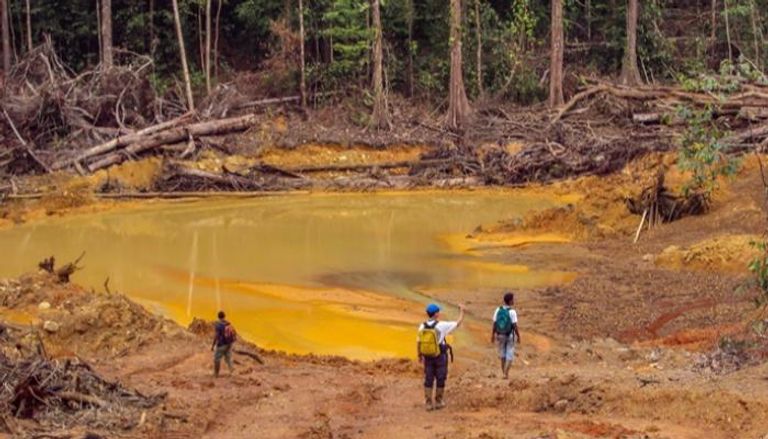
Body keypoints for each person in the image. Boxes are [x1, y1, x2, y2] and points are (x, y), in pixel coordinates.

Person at [417, 302, 465, 411]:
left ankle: (428, 403)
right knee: (441, 377)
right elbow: (458, 323)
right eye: (438, 311)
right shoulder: (442, 325)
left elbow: (419, 342)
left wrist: (419, 355)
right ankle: (438, 401)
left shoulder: (422, 326)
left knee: (428, 378)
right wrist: (462, 311)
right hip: (440, 355)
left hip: (427, 356)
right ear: (436, 314)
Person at [491, 292, 520, 379]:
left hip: (500, 334)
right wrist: (518, 336)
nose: (514, 301)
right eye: (513, 299)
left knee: (502, 354)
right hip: (510, 335)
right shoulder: (512, 312)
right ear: (510, 301)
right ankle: (506, 373)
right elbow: (514, 325)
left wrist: (492, 335)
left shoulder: (498, 309)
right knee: (510, 353)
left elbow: (495, 323)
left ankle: (504, 373)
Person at [211, 311, 236, 377]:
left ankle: (216, 374)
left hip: (221, 344)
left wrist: (213, 345)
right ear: (224, 316)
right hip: (229, 343)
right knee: (228, 357)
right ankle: (232, 370)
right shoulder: (228, 323)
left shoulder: (218, 325)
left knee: (217, 359)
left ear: (218, 317)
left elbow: (216, 336)